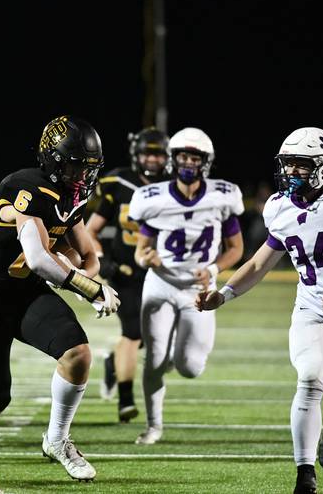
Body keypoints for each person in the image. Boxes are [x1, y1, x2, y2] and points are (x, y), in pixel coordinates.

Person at [196, 127, 323, 494]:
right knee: (309, 378)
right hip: (312, 309)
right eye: (287, 164)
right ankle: (304, 474)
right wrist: (223, 294)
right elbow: (260, 263)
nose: (291, 173)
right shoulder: (280, 207)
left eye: (300, 165)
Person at [0, 116, 119, 493]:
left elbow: (89, 253)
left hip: (24, 293)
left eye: (89, 169)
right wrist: (89, 289)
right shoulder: (26, 187)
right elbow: (38, 258)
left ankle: (56, 440)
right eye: (75, 166)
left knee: (78, 354)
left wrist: (83, 275)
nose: (82, 177)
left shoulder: (73, 195)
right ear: (53, 160)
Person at [129, 127, 244, 445]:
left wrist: (213, 268)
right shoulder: (153, 198)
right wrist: (145, 259)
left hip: (200, 290)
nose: (188, 162)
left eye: (194, 157)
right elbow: (141, 250)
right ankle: (154, 426)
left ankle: (174, 348)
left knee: (190, 367)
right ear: (172, 159)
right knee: (153, 359)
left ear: (205, 162)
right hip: (162, 283)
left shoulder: (223, 195)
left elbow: (236, 248)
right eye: (182, 155)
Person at [85, 127, 168, 422]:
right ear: (137, 154)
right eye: (148, 153)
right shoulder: (119, 182)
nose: (153, 159)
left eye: (158, 154)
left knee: (154, 337)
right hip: (124, 270)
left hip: (159, 272)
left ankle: (113, 364)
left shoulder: (172, 188)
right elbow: (90, 230)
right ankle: (125, 400)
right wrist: (103, 259)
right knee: (132, 331)